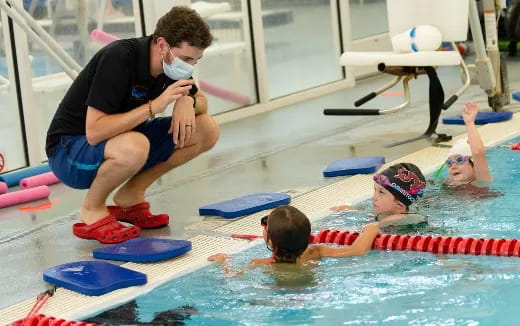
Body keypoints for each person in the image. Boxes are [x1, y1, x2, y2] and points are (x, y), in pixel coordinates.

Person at [45, 6, 218, 243]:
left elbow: (202, 103)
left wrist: (187, 101)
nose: (190, 67)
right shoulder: (119, 58)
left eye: (196, 60)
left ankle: (131, 196)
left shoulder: (172, 66)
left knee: (206, 129)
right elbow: (94, 133)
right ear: (162, 45)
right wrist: (154, 106)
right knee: (135, 146)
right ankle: (92, 209)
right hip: (70, 150)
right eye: (187, 59)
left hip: (123, 140)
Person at [208, 205, 380, 276]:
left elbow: (230, 277)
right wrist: (371, 229)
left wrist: (224, 261)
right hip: (313, 293)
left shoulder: (260, 263)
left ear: (269, 239)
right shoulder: (316, 251)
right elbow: (357, 250)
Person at [331, 163, 427, 228]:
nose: (373, 197)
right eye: (375, 190)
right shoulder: (388, 214)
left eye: (381, 192)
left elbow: (359, 231)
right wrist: (353, 210)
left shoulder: (396, 220)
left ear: (399, 206)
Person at [438, 102, 492, 185]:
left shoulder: (481, 182)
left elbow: (478, 153)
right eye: (449, 163)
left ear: (474, 165)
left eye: (459, 160)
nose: (453, 166)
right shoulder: (447, 186)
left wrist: (470, 123)